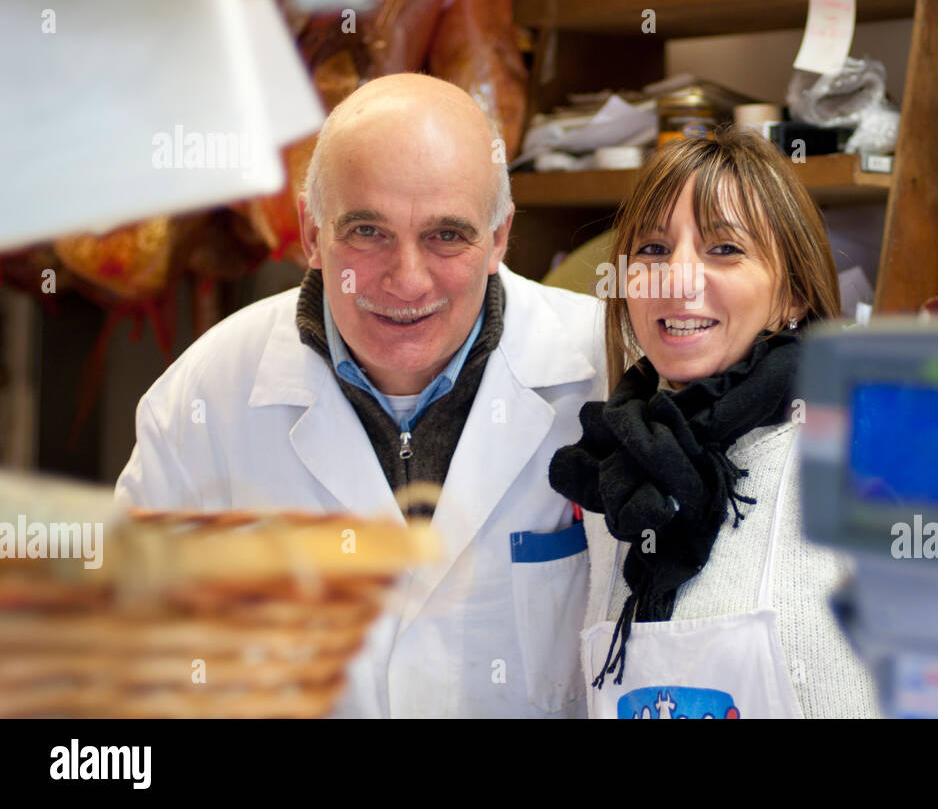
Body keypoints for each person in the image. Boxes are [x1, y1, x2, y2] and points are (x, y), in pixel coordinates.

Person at [116, 74, 605, 718]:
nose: (406, 279)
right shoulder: (203, 400)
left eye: (447, 235)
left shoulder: (606, 371)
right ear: (311, 233)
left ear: (500, 237)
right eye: (367, 232)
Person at [549, 127, 878, 719]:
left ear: (792, 297)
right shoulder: (615, 478)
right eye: (652, 250)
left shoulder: (860, 453)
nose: (678, 278)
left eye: (724, 249)